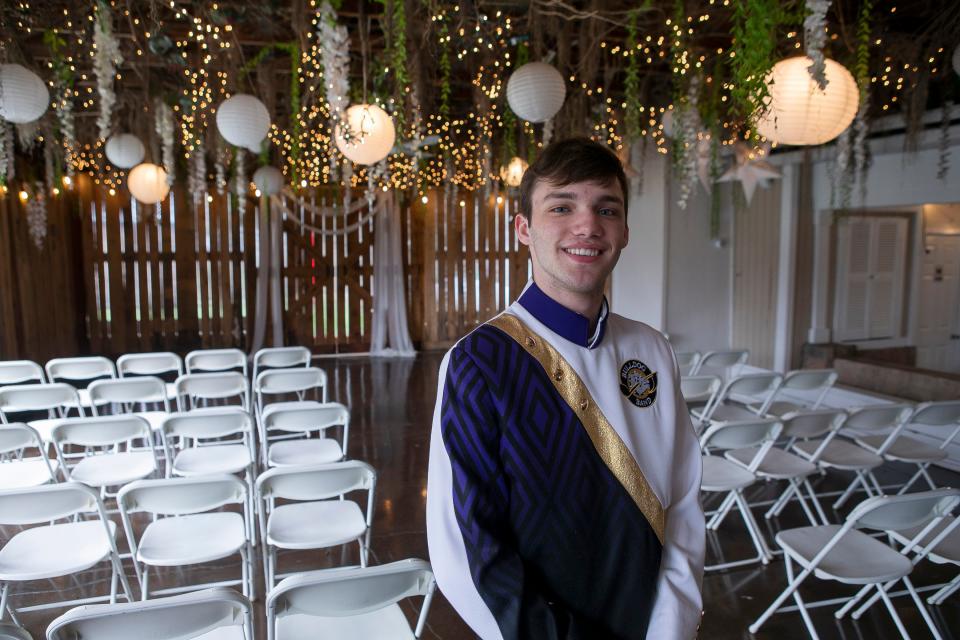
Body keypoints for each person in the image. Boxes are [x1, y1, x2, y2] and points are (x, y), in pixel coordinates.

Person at [426, 137, 705, 639]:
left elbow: (682, 503)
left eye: (606, 208)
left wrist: (670, 629)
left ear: (623, 232)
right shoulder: (478, 361)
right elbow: (466, 552)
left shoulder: (652, 350)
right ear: (524, 230)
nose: (587, 226)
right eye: (562, 206)